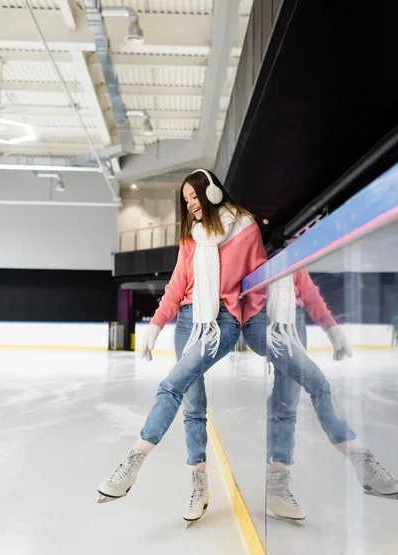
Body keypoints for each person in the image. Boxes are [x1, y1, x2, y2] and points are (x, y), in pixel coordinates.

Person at [97, 169, 267, 526]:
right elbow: (177, 285)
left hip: (221, 321)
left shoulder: (246, 228)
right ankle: (199, 483)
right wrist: (156, 325)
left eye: (195, 197)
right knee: (192, 403)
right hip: (188, 320)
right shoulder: (192, 236)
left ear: (214, 194)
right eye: (186, 199)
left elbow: (260, 278)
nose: (190, 205)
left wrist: (241, 318)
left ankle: (134, 460)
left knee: (172, 384)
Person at [242, 269, 398, 524]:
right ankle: (361, 459)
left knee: (286, 402)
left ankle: (276, 484)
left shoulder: (292, 244)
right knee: (319, 385)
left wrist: (331, 328)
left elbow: (305, 287)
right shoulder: (252, 236)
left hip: (295, 319)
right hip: (259, 320)